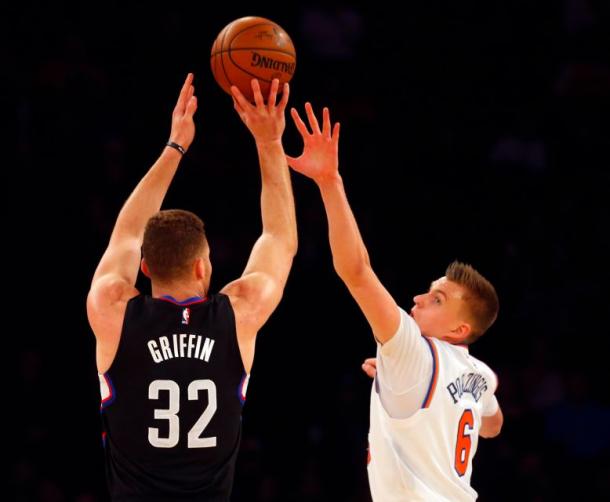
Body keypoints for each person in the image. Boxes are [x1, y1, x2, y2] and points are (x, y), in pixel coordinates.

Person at [86, 74, 297, 501]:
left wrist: (175, 146)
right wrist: (268, 141)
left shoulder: (112, 310)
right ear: (203, 266)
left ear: (144, 267)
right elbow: (279, 238)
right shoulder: (240, 312)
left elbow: (125, 235)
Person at [286, 103, 503, 501]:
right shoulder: (480, 374)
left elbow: (356, 271)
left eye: (436, 299)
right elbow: (492, 425)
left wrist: (329, 181)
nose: (417, 299)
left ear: (460, 329)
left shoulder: (413, 352)